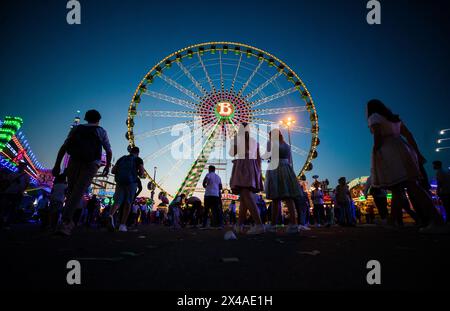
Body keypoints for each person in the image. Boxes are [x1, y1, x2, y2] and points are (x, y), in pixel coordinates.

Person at [367, 99, 445, 233]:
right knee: (398, 189)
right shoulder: (394, 119)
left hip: (389, 152)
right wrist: (417, 152)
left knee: (412, 186)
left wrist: (376, 151)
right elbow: (409, 135)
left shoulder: (374, 117)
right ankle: (392, 221)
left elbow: (378, 137)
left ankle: (437, 221)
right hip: (403, 148)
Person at [52, 110, 112, 236]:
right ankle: (66, 222)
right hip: (91, 164)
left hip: (74, 161)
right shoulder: (101, 131)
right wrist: (107, 166)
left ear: (85, 118)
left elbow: (64, 146)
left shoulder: (77, 129)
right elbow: (108, 150)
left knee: (72, 191)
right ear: (99, 120)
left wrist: (57, 164)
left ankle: (65, 221)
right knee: (78, 192)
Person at [263, 129, 302, 234]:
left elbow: (267, 156)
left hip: (275, 168)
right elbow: (289, 159)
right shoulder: (286, 145)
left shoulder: (270, 143)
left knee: (275, 199)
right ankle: (294, 224)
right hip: (286, 168)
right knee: (289, 198)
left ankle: (273, 225)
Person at [229, 123, 264, 235]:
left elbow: (232, 153)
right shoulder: (255, 142)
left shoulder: (238, 139)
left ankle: (259, 224)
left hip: (242, 165)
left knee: (246, 195)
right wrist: (258, 172)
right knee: (244, 197)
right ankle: (239, 225)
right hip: (253, 166)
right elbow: (259, 159)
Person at [108, 146, 145, 232]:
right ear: (138, 153)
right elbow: (142, 172)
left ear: (130, 151)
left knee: (117, 202)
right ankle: (122, 225)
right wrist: (139, 174)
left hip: (120, 182)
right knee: (128, 203)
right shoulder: (138, 159)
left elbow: (113, 171)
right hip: (131, 183)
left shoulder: (122, 158)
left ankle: (110, 215)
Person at [0, 162, 30, 229]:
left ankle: (7, 223)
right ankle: (3, 221)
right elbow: (7, 182)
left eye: (23, 166)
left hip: (17, 193)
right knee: (4, 207)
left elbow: (27, 185)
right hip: (9, 192)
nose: (21, 167)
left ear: (25, 168)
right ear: (18, 166)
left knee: (13, 208)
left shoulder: (26, 176)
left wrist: (22, 190)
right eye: (20, 166)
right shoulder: (13, 174)